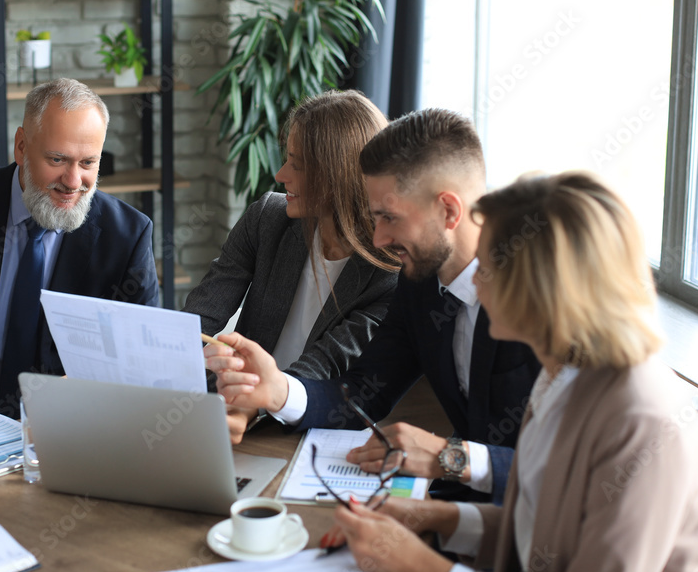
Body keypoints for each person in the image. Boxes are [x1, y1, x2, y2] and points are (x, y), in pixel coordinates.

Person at [328, 171, 698, 572]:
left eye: (487, 266)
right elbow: (541, 527)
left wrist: (428, 571)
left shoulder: (641, 419)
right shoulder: (560, 375)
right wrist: (436, 518)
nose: (473, 279)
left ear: (542, 288)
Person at [207, 109, 540, 502]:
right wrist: (279, 391)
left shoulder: (542, 292)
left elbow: (575, 469)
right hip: (468, 513)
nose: (378, 239)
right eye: (373, 217)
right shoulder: (419, 284)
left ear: (449, 211)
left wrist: (451, 458)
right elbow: (363, 392)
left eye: (389, 218)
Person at [183, 90, 400, 440]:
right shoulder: (267, 219)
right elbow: (198, 319)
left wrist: (255, 402)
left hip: (309, 425)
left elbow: (325, 363)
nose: (282, 174)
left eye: (297, 165)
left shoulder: (387, 273)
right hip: (234, 411)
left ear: (339, 175)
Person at [0, 79, 159, 418]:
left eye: (88, 163)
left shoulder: (128, 235)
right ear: (21, 147)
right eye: (58, 159)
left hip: (66, 418)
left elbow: (140, 356)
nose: (73, 182)